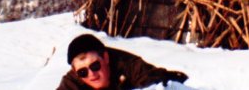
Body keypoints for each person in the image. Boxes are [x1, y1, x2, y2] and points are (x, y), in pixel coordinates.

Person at [56, 34, 189, 90]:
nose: (91, 74)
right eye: (83, 72)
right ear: (76, 72)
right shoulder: (72, 82)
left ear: (105, 58)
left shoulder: (129, 65)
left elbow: (156, 84)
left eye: (95, 66)